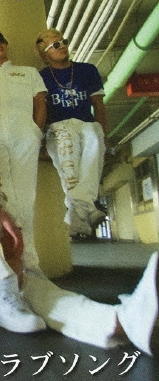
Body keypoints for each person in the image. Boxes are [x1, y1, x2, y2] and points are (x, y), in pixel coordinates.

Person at [0, 131, 159, 355]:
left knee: (39, 288)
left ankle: (122, 322)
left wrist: (16, 266)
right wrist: (1, 217)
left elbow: (11, 250)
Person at [0, 29, 47, 270]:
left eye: (0, 40)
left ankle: (30, 263)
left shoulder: (29, 73)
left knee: (26, 195)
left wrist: (36, 132)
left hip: (24, 135)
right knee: (3, 196)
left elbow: (40, 103)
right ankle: (11, 261)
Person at [36, 28, 108, 237]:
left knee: (95, 138)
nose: (63, 46)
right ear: (45, 54)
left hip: (86, 123)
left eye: (64, 41)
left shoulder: (88, 70)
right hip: (57, 127)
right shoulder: (41, 77)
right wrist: (40, 140)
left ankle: (77, 212)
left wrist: (105, 136)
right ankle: (87, 209)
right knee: (69, 163)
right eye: (56, 45)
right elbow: (40, 109)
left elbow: (99, 105)